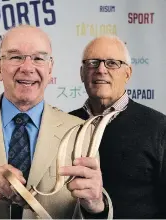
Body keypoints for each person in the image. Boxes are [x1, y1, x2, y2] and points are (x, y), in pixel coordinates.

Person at [0, 25, 112, 219]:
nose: (27, 68)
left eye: (39, 58)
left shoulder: (80, 132)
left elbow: (92, 208)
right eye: (16, 57)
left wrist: (97, 206)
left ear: (50, 69)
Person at [69, 35, 166, 218]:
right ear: (82, 73)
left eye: (112, 63)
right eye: (93, 62)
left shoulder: (159, 128)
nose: (101, 70)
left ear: (128, 73)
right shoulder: (66, 125)